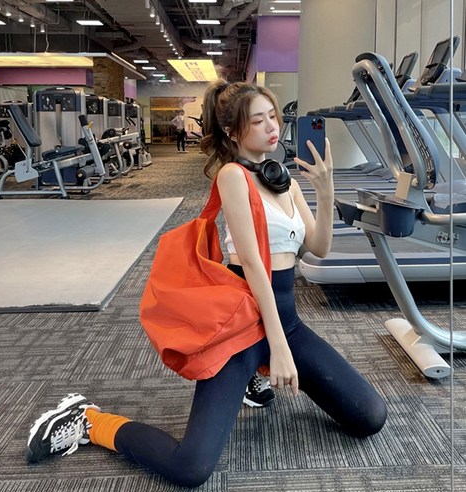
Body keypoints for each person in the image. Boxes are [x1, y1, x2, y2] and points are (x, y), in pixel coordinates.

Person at [25, 79, 387, 488]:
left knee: (369, 416)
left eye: (273, 116)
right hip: (243, 329)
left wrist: (324, 189)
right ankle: (88, 420)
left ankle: (254, 377)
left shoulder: (282, 178)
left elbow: (318, 247)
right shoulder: (234, 176)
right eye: (258, 120)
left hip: (286, 323)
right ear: (233, 132)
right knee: (191, 467)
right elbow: (253, 264)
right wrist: (279, 349)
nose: (272, 126)